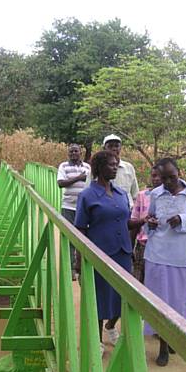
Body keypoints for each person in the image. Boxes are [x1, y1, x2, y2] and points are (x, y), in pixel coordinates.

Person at [144, 157, 186, 366]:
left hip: (182, 256)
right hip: (158, 254)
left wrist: (182, 220)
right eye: (164, 178)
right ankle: (163, 347)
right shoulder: (156, 194)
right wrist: (150, 224)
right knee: (160, 301)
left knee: (181, 301)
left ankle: (172, 338)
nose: (169, 182)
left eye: (173, 177)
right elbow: (149, 220)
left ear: (180, 173)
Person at [74, 150, 133, 352]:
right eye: (110, 164)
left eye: (116, 164)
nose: (115, 167)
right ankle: (97, 340)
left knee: (122, 295)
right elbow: (80, 228)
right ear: (99, 168)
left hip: (123, 252)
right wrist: (79, 261)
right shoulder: (87, 196)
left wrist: (143, 223)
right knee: (100, 296)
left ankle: (111, 326)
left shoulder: (121, 194)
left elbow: (125, 221)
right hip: (100, 253)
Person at [101, 134, 139, 342]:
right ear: (104, 147)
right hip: (105, 222)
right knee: (101, 282)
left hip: (127, 222)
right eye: (111, 146)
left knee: (125, 279)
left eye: (117, 146)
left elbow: (135, 195)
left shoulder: (129, 168)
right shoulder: (97, 169)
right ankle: (97, 337)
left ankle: (112, 325)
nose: (115, 149)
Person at [57, 143, 91, 280]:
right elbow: (60, 183)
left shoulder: (87, 167)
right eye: (71, 152)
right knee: (70, 238)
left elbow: (91, 183)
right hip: (68, 206)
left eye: (75, 151)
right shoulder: (63, 166)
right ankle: (70, 269)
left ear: (80, 153)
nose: (73, 154)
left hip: (85, 208)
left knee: (85, 238)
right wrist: (78, 178)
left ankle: (82, 268)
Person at [129, 165, 162, 283]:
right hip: (143, 245)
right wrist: (130, 246)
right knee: (139, 281)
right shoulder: (142, 196)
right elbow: (133, 222)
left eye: (159, 176)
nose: (156, 179)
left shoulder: (173, 197)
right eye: (153, 176)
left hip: (163, 246)